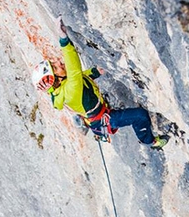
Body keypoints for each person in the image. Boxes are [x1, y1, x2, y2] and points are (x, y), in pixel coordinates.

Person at [31, 16, 168, 148]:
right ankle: (149, 141)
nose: (59, 64)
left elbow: (81, 77)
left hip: (98, 114)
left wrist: (95, 72)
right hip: (103, 120)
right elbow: (74, 69)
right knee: (140, 116)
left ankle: (83, 122)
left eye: (55, 64)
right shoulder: (70, 91)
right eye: (55, 68)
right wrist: (64, 40)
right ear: (55, 80)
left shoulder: (64, 87)